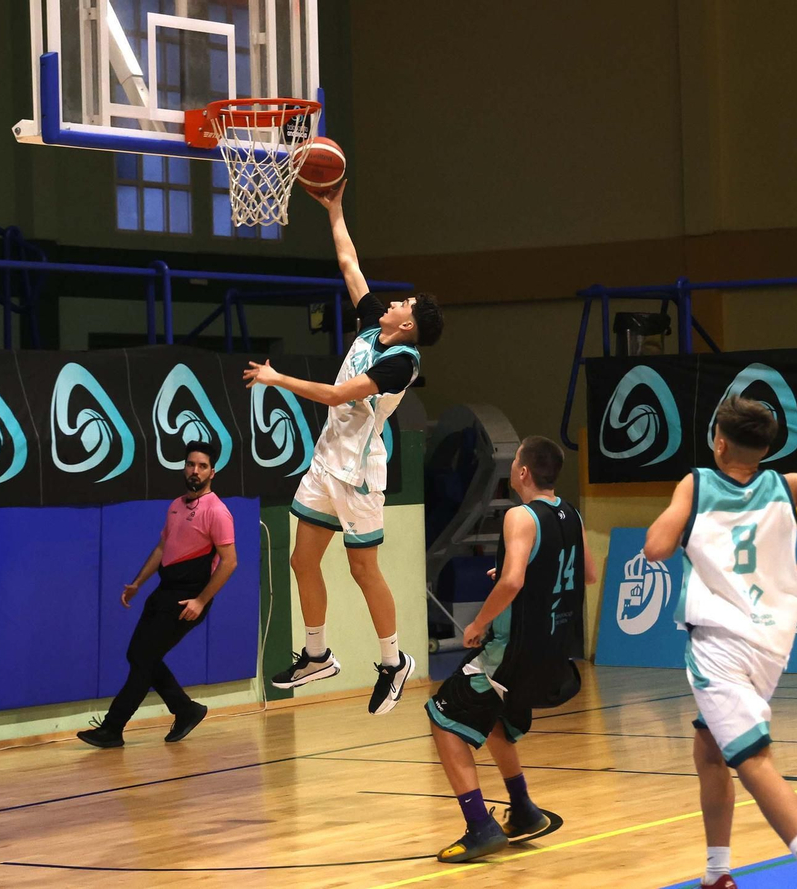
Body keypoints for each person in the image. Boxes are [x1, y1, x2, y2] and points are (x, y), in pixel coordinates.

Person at [643, 397, 797, 889]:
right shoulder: (787, 486)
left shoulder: (697, 482)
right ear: (764, 448)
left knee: (752, 758)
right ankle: (717, 874)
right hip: (771, 644)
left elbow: (655, 548)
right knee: (709, 749)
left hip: (719, 642)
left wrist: (681, 508)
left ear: (719, 442)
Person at [243, 181, 444, 715]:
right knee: (301, 559)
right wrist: (335, 209)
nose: (394, 300)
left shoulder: (402, 364)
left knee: (363, 571)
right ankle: (316, 654)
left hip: (358, 472)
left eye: (404, 303)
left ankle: (392, 661)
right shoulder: (373, 326)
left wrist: (276, 377)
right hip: (326, 459)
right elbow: (349, 261)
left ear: (407, 325)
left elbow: (335, 394)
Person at [424, 436, 595, 863]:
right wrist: (521, 568)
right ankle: (522, 810)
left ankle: (480, 827)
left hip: (510, 649)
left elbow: (513, 582)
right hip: (553, 651)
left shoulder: (520, 516)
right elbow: (586, 574)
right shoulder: (571, 513)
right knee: (493, 716)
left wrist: (479, 622)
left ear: (522, 472)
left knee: (441, 717)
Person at [77, 441, 236, 748]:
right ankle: (185, 709)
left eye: (202, 466)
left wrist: (201, 601)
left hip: (188, 598)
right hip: (164, 591)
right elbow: (163, 547)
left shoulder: (216, 511)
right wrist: (138, 582)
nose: (195, 470)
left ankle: (113, 728)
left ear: (212, 472)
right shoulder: (176, 505)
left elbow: (230, 562)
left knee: (144, 657)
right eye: (191, 464)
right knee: (138, 655)